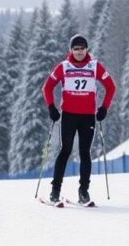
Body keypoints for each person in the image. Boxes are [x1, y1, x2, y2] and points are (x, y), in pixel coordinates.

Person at [42, 34, 116, 206]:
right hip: (68, 115)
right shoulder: (64, 67)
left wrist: (104, 108)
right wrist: (51, 107)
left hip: (88, 116)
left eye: (82, 48)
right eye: (76, 49)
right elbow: (47, 87)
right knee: (65, 150)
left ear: (87, 49)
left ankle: (83, 192)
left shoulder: (95, 66)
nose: (79, 52)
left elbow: (111, 86)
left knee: (85, 153)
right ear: (71, 50)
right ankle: (55, 191)